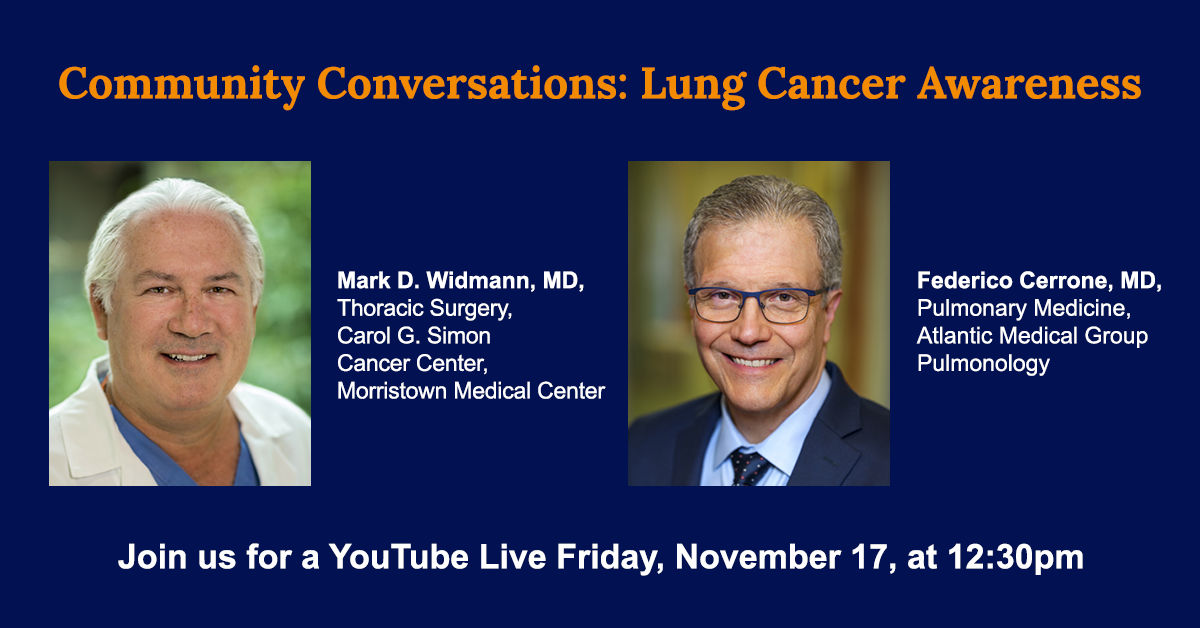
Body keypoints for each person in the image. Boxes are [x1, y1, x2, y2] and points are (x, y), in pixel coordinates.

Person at [628, 175, 888, 486]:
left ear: (828, 312)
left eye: (783, 298)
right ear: (691, 304)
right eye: (722, 296)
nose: (749, 333)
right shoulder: (641, 447)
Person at [49, 178, 311, 486]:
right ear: (101, 309)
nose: (192, 324)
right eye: (160, 289)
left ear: (252, 309)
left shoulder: (298, 436)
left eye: (218, 289)